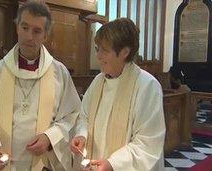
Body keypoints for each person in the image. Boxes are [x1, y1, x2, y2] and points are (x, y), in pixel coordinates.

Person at [0, 1, 81, 171]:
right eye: (25, 27)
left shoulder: (60, 73)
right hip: (4, 164)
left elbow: (73, 116)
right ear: (17, 28)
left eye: (37, 31)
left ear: (45, 35)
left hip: (43, 164)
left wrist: (50, 138)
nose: (29, 36)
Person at [70, 18, 166, 171]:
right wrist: (82, 135)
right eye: (97, 49)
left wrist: (113, 164)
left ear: (125, 52)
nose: (98, 56)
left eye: (104, 50)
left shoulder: (148, 86)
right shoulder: (98, 82)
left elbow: (148, 142)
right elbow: (84, 116)